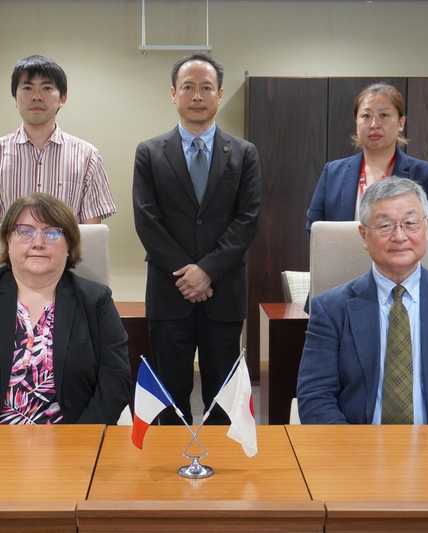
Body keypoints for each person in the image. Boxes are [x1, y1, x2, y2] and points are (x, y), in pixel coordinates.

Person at [296, 176, 428, 424]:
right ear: (364, 235)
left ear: (426, 229)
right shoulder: (330, 308)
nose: (399, 236)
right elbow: (315, 397)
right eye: (385, 225)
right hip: (357, 442)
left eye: (410, 223)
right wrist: (352, 447)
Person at [132, 53, 262, 425]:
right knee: (169, 399)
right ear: (173, 94)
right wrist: (187, 273)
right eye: (188, 87)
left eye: (206, 87)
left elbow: (248, 219)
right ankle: (171, 457)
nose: (197, 95)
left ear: (219, 95)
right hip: (168, 291)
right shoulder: (150, 152)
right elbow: (146, 220)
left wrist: (206, 271)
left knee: (223, 400)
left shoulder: (244, 153)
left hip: (223, 293)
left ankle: (219, 459)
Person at [0, 193, 132, 424]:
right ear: (8, 240)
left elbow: (116, 378)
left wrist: (82, 439)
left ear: (68, 245)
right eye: (25, 232)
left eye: (52, 233)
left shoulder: (96, 301)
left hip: (73, 439)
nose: (38, 243)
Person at [0, 55, 116, 224]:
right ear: (15, 98)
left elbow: (91, 233)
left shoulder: (88, 156)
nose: (36, 96)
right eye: (27, 88)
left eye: (46, 88)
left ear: (63, 99)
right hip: (9, 244)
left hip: (65, 244)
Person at [306, 83, 428, 236]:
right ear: (356, 123)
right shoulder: (333, 172)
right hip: (345, 252)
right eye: (366, 116)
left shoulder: (425, 174)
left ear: (401, 123)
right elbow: (314, 229)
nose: (374, 125)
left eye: (384, 115)